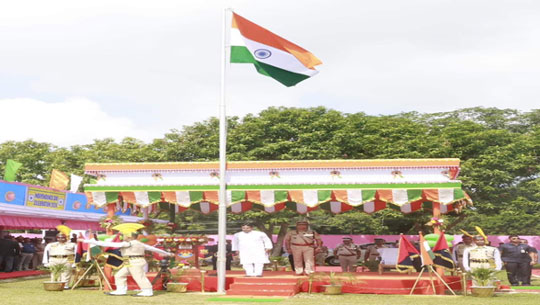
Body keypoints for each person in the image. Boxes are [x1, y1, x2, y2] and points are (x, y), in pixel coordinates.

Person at [84, 225, 173, 297]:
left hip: (134, 262)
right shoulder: (140, 243)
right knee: (119, 275)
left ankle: (147, 291)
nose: (123, 236)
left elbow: (108, 244)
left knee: (139, 277)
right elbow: (154, 249)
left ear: (129, 236)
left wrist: (93, 242)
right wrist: (167, 253)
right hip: (132, 262)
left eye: (125, 235)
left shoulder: (127, 243)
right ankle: (121, 290)